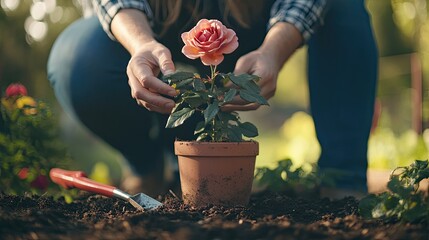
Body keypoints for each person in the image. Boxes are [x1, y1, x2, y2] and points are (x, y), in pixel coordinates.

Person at [47, 0, 378, 198]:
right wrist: (140, 45)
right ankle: (148, 163)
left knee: (345, 6)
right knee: (77, 59)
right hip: (155, 20)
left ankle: (342, 180)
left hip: (260, 23)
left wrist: (274, 50)